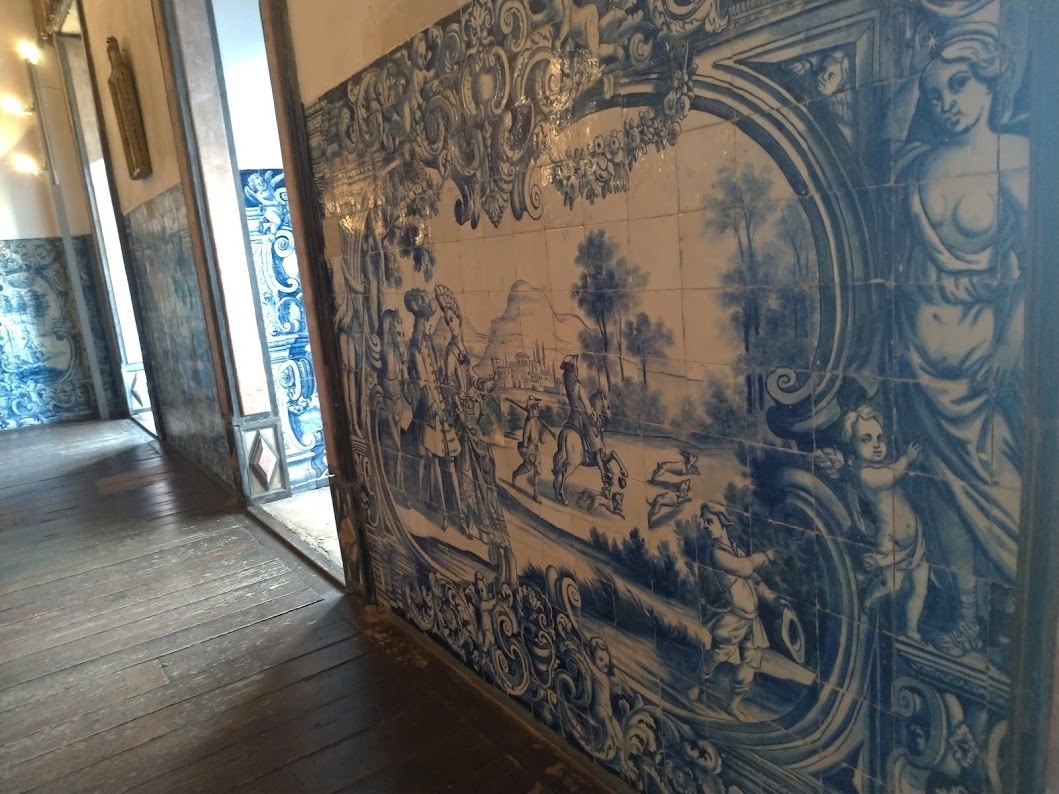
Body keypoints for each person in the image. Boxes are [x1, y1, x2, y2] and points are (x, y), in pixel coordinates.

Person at [893, 24, 1026, 656]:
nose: (946, 102)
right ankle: (968, 614)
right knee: (943, 495)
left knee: (1002, 489)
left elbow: (1041, 271)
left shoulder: (1018, 157)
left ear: (991, 79)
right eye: (934, 93)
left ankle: (1020, 616)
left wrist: (1008, 348)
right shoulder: (919, 166)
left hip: (981, 367)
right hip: (920, 364)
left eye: (959, 83)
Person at [687, 502, 785, 720]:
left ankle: (733, 705)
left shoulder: (733, 548)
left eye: (710, 521)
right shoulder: (718, 554)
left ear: (723, 523)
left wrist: (772, 598)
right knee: (717, 655)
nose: (705, 526)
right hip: (732, 618)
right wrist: (765, 556)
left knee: (751, 661)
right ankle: (697, 686)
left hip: (751, 619)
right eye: (704, 522)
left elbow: (754, 578)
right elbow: (745, 567)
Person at [842, 406, 928, 642]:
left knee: (920, 585)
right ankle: (871, 596)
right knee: (893, 585)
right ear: (852, 445)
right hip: (890, 542)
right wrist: (907, 458)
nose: (877, 445)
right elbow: (891, 476)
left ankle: (911, 629)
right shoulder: (865, 474)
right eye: (866, 439)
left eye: (880, 438)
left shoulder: (882, 465)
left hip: (915, 540)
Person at [435, 284, 505, 539]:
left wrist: (489, 381)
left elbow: (472, 378)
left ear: (460, 319)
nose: (451, 325)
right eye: (447, 321)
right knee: (470, 469)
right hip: (464, 419)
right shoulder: (450, 353)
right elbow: (450, 387)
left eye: (453, 320)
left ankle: (491, 515)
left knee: (486, 465)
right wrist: (461, 410)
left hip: (472, 413)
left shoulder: (462, 348)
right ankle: (480, 521)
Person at [512, 395, 544, 502]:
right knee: (532, 468)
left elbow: (542, 440)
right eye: (535, 408)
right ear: (531, 410)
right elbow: (525, 435)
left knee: (533, 469)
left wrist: (543, 430)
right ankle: (515, 474)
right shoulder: (529, 421)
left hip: (536, 448)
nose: (537, 410)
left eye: (538, 408)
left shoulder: (537, 421)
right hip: (529, 447)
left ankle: (535, 493)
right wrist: (525, 447)